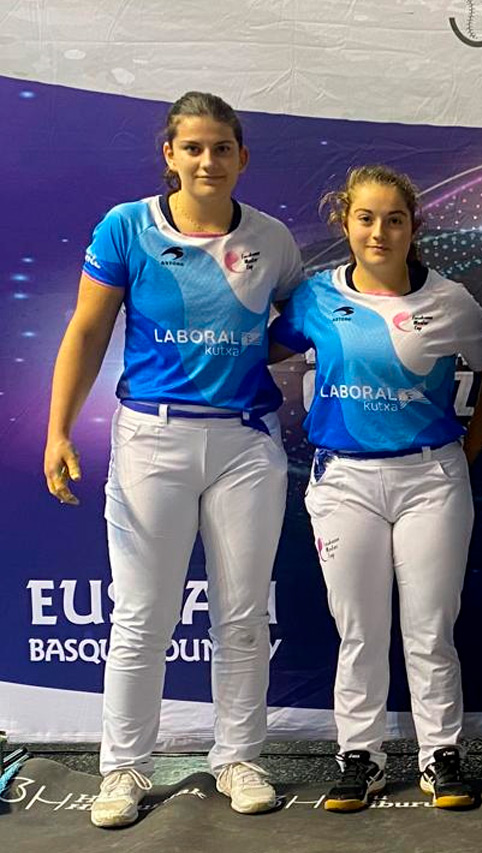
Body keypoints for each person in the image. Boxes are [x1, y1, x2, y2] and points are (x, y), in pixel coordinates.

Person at [43, 92, 303, 828]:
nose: (207, 161)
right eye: (192, 147)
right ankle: (124, 768)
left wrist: (248, 353)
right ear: (170, 155)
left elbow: (302, 318)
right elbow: (87, 331)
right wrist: (59, 430)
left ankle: (239, 757)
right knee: (142, 614)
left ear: (242, 157)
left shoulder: (272, 239)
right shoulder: (126, 227)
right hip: (152, 441)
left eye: (221, 148)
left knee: (242, 614)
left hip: (246, 443)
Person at [269, 165, 482, 811]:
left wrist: (472, 446)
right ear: (345, 222)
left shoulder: (450, 300)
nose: (380, 232)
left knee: (430, 629)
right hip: (344, 481)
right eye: (366, 218)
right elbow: (257, 350)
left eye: (394, 219)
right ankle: (361, 758)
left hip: (431, 480)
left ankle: (440, 755)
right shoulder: (315, 297)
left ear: (413, 227)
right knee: (360, 632)